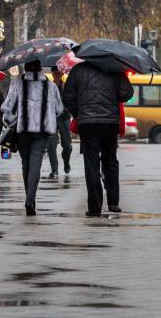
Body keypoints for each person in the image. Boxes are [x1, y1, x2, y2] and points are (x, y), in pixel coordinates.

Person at [63, 62, 133, 217]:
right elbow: (126, 94)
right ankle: (113, 202)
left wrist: (78, 113)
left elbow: (67, 96)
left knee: (91, 163)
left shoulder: (78, 70)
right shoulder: (115, 68)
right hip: (110, 122)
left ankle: (95, 207)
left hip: (87, 123)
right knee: (110, 160)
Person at [1, 60, 64, 216]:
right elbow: (59, 109)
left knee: (26, 165)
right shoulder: (50, 86)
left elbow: (8, 109)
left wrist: (12, 123)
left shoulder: (18, 84)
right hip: (42, 132)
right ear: (41, 69)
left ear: (26, 68)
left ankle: (30, 198)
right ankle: (30, 200)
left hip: (23, 132)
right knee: (36, 163)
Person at [46, 67, 73, 178]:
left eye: (59, 73)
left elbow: (71, 100)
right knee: (51, 145)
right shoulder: (48, 87)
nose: (57, 75)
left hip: (64, 118)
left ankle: (66, 161)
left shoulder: (67, 86)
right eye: (55, 73)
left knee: (67, 145)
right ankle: (54, 169)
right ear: (52, 74)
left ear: (62, 74)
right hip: (51, 119)